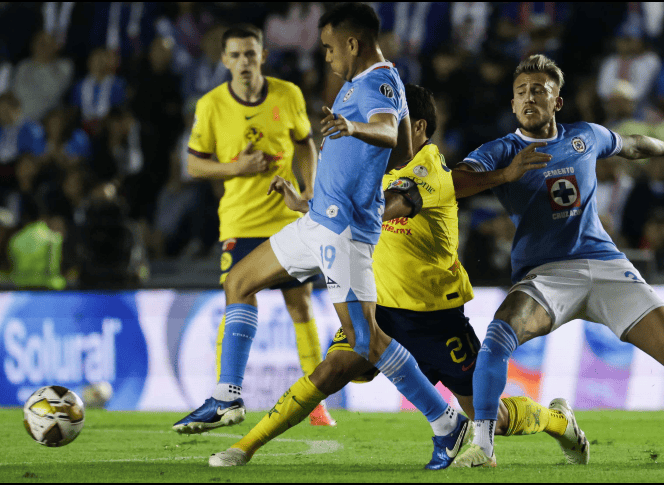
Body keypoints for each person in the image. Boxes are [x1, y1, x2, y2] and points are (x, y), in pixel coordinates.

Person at [208, 83, 588, 469]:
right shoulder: (380, 165)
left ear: (417, 126)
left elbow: (387, 209)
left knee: (491, 418)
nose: (381, 125)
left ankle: (558, 420)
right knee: (330, 372)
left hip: (433, 319)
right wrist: (308, 205)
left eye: (391, 118)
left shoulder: (428, 169)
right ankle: (245, 448)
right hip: (381, 307)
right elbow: (345, 211)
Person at [451, 54, 664, 469]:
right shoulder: (502, 151)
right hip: (545, 276)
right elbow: (454, 182)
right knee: (497, 338)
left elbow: (634, 145)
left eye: (539, 91)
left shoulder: (584, 136)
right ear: (513, 104)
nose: (530, 97)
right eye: (521, 92)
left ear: (557, 102)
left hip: (605, 265)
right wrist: (504, 176)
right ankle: (484, 449)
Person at [207, 3, 467, 469]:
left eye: (329, 47)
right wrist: (309, 199)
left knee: (364, 341)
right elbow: (400, 150)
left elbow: (389, 134)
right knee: (238, 282)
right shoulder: (358, 84)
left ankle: (445, 420)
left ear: (353, 43)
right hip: (317, 222)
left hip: (344, 233)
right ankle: (227, 397)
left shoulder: (380, 82)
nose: (326, 57)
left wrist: (353, 127)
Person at [172, 23, 334, 433]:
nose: (244, 62)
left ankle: (315, 402)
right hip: (240, 221)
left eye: (250, 53)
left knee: (299, 303)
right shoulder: (210, 105)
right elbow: (192, 164)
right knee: (237, 295)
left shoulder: (287, 94)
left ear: (262, 56)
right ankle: (224, 393)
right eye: (236, 55)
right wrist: (235, 168)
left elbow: (305, 141)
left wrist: (310, 189)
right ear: (224, 60)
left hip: (285, 219)